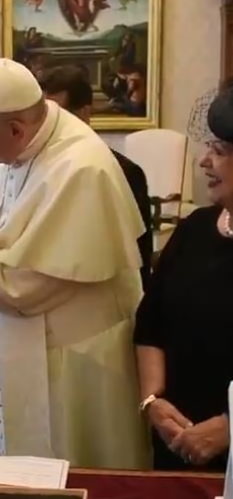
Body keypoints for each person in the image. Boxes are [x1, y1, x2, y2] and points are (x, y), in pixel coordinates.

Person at [0, 58, 150, 469]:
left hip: (73, 357)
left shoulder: (81, 170)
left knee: (73, 463)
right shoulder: (12, 142)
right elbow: (1, 226)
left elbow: (21, 287)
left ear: (16, 129)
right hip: (26, 341)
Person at [133, 85, 233, 472]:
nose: (204, 162)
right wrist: (152, 402)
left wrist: (230, 426)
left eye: (219, 152)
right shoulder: (194, 228)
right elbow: (150, 324)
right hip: (176, 440)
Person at [39, 65, 153, 289]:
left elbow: (139, 257)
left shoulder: (124, 171)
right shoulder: (35, 167)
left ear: (84, 113)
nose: (48, 125)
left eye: (58, 115)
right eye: (43, 116)